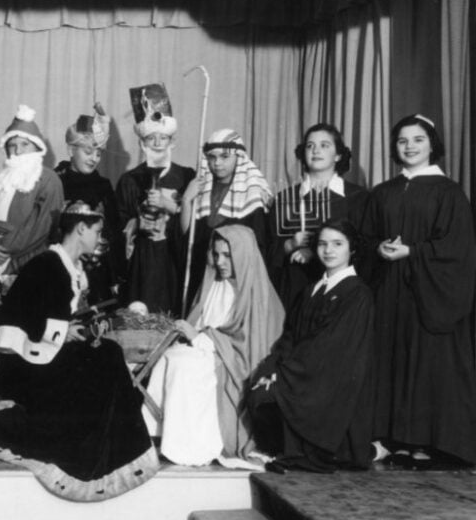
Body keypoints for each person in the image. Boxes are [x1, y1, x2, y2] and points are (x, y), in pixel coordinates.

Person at [0, 201, 159, 501]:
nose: (100, 238)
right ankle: (105, 449)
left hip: (52, 354)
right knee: (107, 357)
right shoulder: (46, 264)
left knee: (108, 353)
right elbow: (20, 318)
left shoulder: (74, 268)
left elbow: (62, 318)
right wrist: (64, 334)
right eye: (97, 232)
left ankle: (115, 447)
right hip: (29, 366)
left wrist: (79, 328)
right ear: (81, 229)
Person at [360, 114, 476, 468]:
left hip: (430, 293)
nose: (409, 146)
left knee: (428, 362)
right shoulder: (383, 192)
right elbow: (363, 240)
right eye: (402, 141)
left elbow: (457, 247)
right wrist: (377, 248)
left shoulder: (449, 192)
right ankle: (393, 439)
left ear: (432, 145)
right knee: (389, 359)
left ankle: (428, 443)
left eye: (418, 139)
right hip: (389, 292)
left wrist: (414, 252)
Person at [147, 225, 284, 467]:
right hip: (207, 352)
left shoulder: (255, 295)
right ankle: (159, 435)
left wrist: (200, 338)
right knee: (170, 356)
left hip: (233, 364)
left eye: (227, 255)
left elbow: (245, 346)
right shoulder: (213, 285)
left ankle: (188, 447)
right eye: (217, 254)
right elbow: (200, 322)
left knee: (184, 365)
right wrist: (192, 335)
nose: (220, 262)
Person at [248, 219, 375, 472]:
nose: (329, 250)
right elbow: (290, 337)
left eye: (338, 244)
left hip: (329, 379)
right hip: (302, 369)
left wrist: (283, 375)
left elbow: (329, 347)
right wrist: (271, 369)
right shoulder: (311, 291)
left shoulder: (357, 294)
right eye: (323, 244)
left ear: (352, 250)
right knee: (257, 389)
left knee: (277, 394)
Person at [267, 124, 368, 312]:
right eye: (310, 145)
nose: (316, 150)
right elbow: (268, 249)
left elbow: (363, 247)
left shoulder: (358, 198)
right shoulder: (284, 199)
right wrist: (290, 244)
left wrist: (316, 251)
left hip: (340, 293)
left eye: (325, 145)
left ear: (338, 155)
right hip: (292, 292)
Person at [113, 84, 195, 314]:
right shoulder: (130, 180)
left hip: (173, 261)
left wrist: (171, 206)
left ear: (173, 142)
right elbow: (117, 226)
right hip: (142, 263)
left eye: (163, 138)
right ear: (142, 143)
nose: (158, 144)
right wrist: (136, 223)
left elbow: (198, 226)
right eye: (151, 139)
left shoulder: (187, 177)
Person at [181, 128, 272, 310]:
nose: (217, 163)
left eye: (224, 157)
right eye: (212, 157)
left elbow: (258, 246)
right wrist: (186, 200)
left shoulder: (252, 191)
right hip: (203, 271)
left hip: (237, 278)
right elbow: (186, 236)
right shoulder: (200, 187)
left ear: (238, 157)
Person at [0, 104, 64, 292]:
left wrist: (5, 249)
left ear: (36, 146)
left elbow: (42, 224)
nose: (18, 152)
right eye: (12, 146)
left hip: (28, 257)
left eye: (24, 145)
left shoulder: (48, 179)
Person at [54, 104, 120, 304]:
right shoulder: (56, 182)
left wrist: (115, 276)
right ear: (70, 149)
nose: (94, 159)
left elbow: (115, 232)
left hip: (99, 270)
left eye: (98, 154)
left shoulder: (103, 186)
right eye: (88, 151)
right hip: (63, 267)